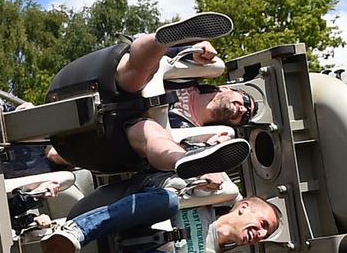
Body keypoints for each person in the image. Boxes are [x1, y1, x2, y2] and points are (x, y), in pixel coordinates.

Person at [45, 12, 256, 177]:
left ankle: (185, 161)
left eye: (244, 117)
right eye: (245, 101)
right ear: (228, 88)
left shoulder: (196, 132)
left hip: (122, 131)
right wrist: (194, 49)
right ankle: (166, 38)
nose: (242, 109)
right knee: (141, 73)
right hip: (118, 82)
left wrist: (208, 147)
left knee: (152, 134)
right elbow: (162, 65)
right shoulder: (190, 76)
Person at [35, 187, 280, 253]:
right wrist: (199, 182)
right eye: (262, 225)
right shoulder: (207, 198)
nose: (259, 235)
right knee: (169, 200)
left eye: (264, 236)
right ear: (244, 207)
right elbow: (165, 184)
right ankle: (75, 232)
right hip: (138, 215)